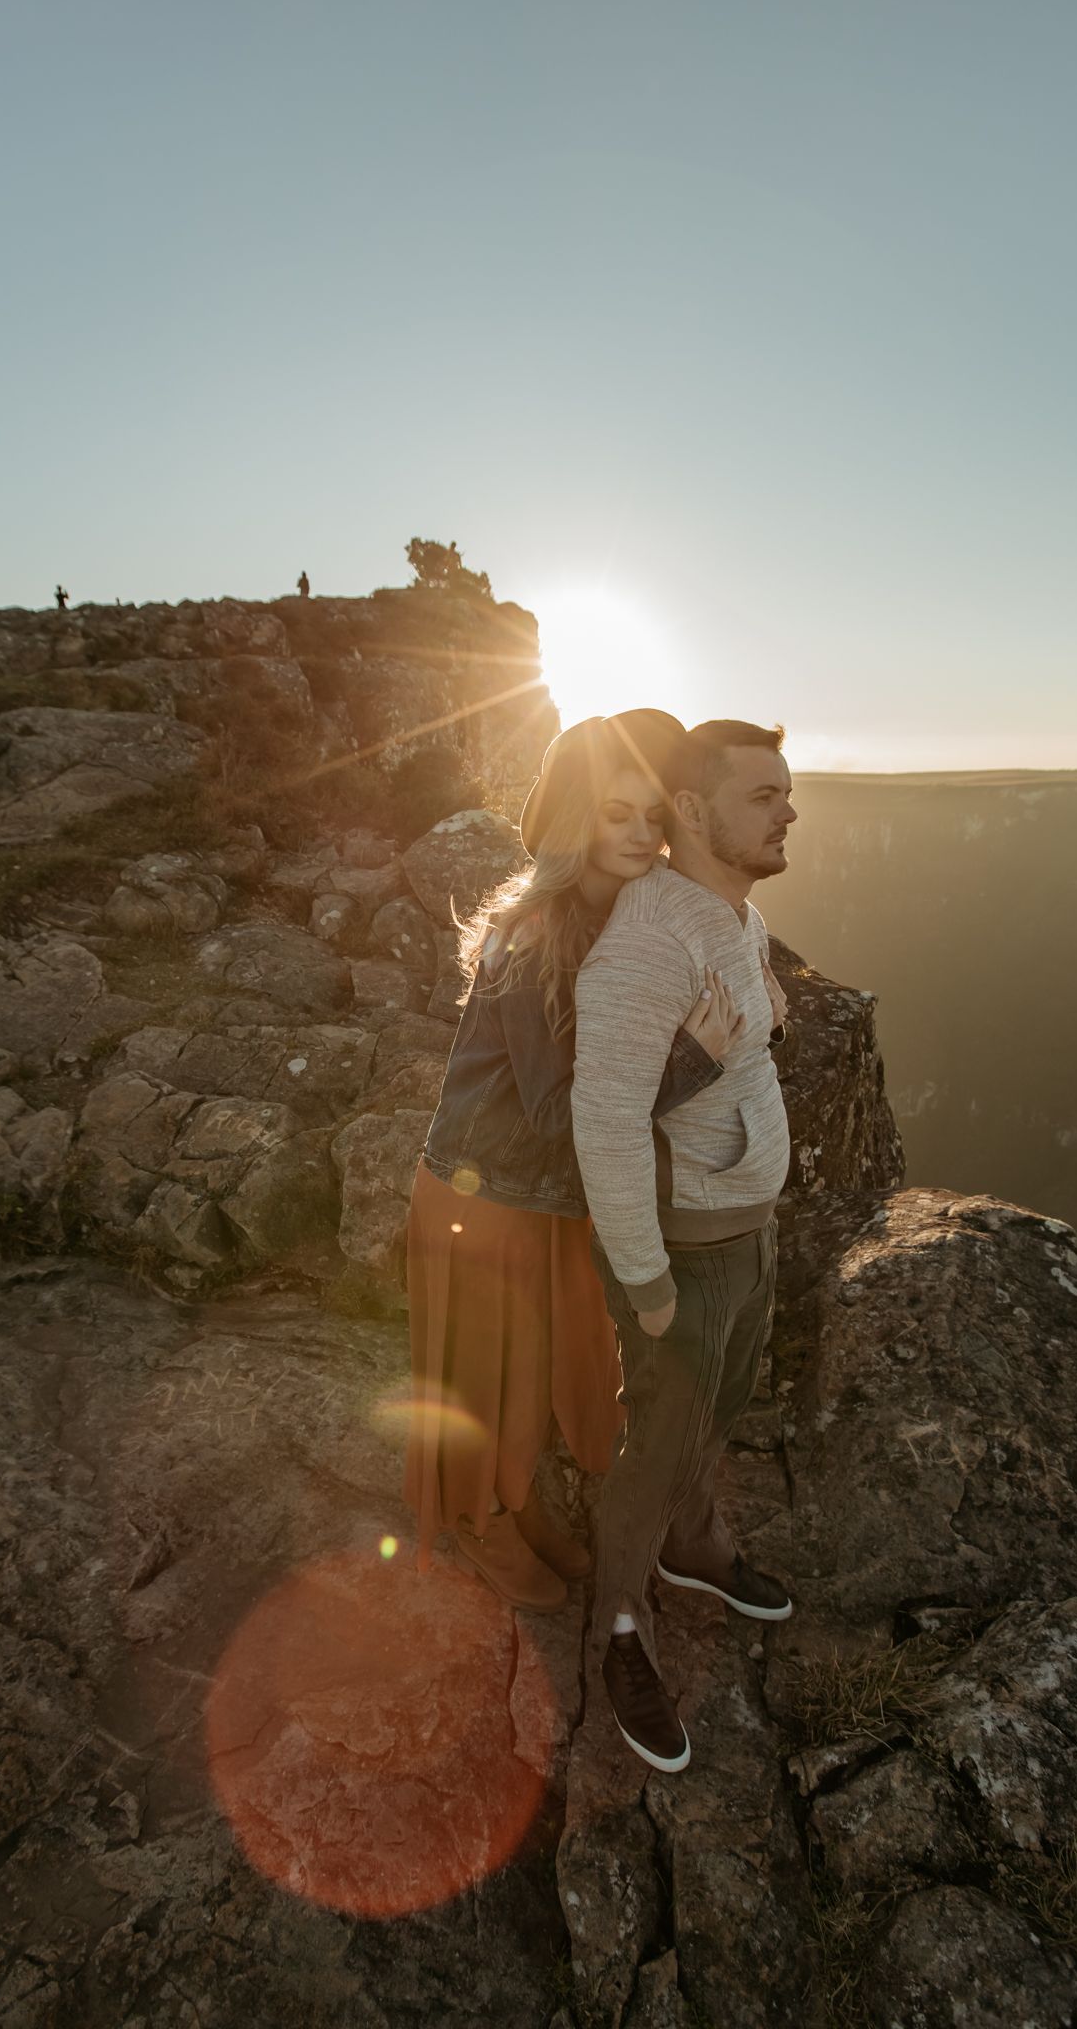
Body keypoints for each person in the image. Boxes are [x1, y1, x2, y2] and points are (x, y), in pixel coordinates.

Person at [404, 710, 745, 1613]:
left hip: (553, 1195)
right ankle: (479, 1523)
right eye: (613, 815)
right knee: (490, 1383)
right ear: (573, 822)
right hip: (485, 1193)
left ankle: (516, 1505)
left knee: (552, 1369)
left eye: (650, 817)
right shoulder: (534, 930)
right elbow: (561, 1110)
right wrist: (689, 1064)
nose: (640, 835)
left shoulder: (628, 917)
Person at [571, 718, 798, 1772]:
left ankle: (695, 1541)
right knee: (653, 1438)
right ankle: (618, 1628)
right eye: (766, 795)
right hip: (687, 1255)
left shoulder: (735, 917)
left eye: (787, 791)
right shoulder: (646, 942)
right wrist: (646, 1278)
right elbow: (606, 1123)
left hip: (748, 1230)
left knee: (725, 1401)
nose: (791, 809)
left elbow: (738, 1029)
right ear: (697, 813)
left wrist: (769, 1014)